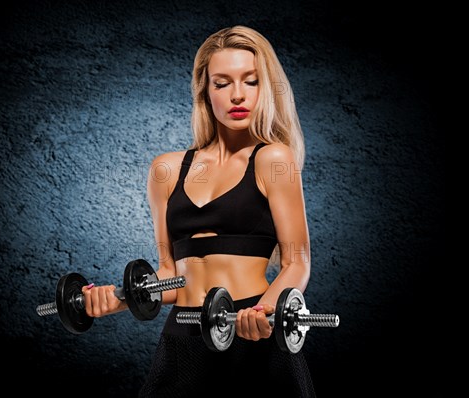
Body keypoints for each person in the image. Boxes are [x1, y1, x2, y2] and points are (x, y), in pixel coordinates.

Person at [83, 25, 315, 397]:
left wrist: (265, 311)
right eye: (222, 83)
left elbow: (297, 262)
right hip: (184, 335)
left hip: (250, 330)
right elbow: (169, 275)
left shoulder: (273, 158)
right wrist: (121, 300)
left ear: (266, 88)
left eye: (251, 81)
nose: (237, 95)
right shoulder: (166, 170)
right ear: (205, 92)